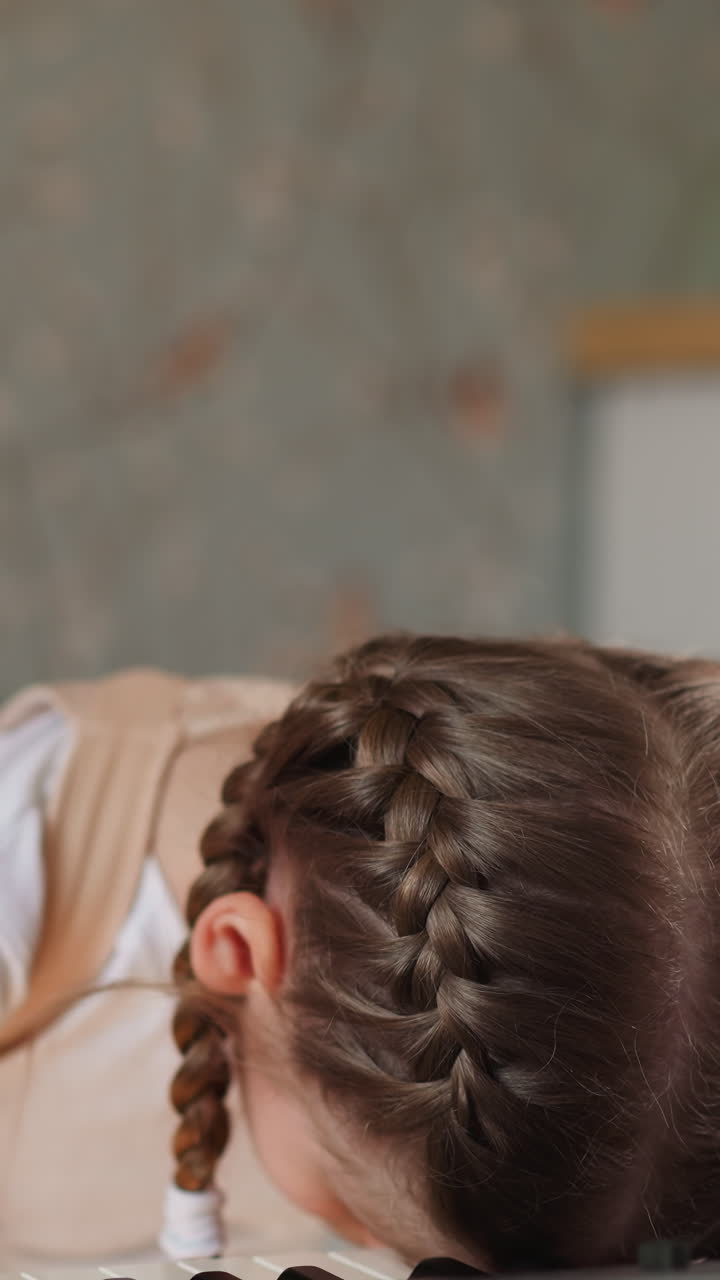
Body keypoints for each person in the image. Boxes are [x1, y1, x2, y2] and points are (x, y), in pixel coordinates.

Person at [2, 634, 719, 1270]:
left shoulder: (403, 793)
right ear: (237, 953)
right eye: (354, 1217)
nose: (372, 1254)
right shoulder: (30, 890)